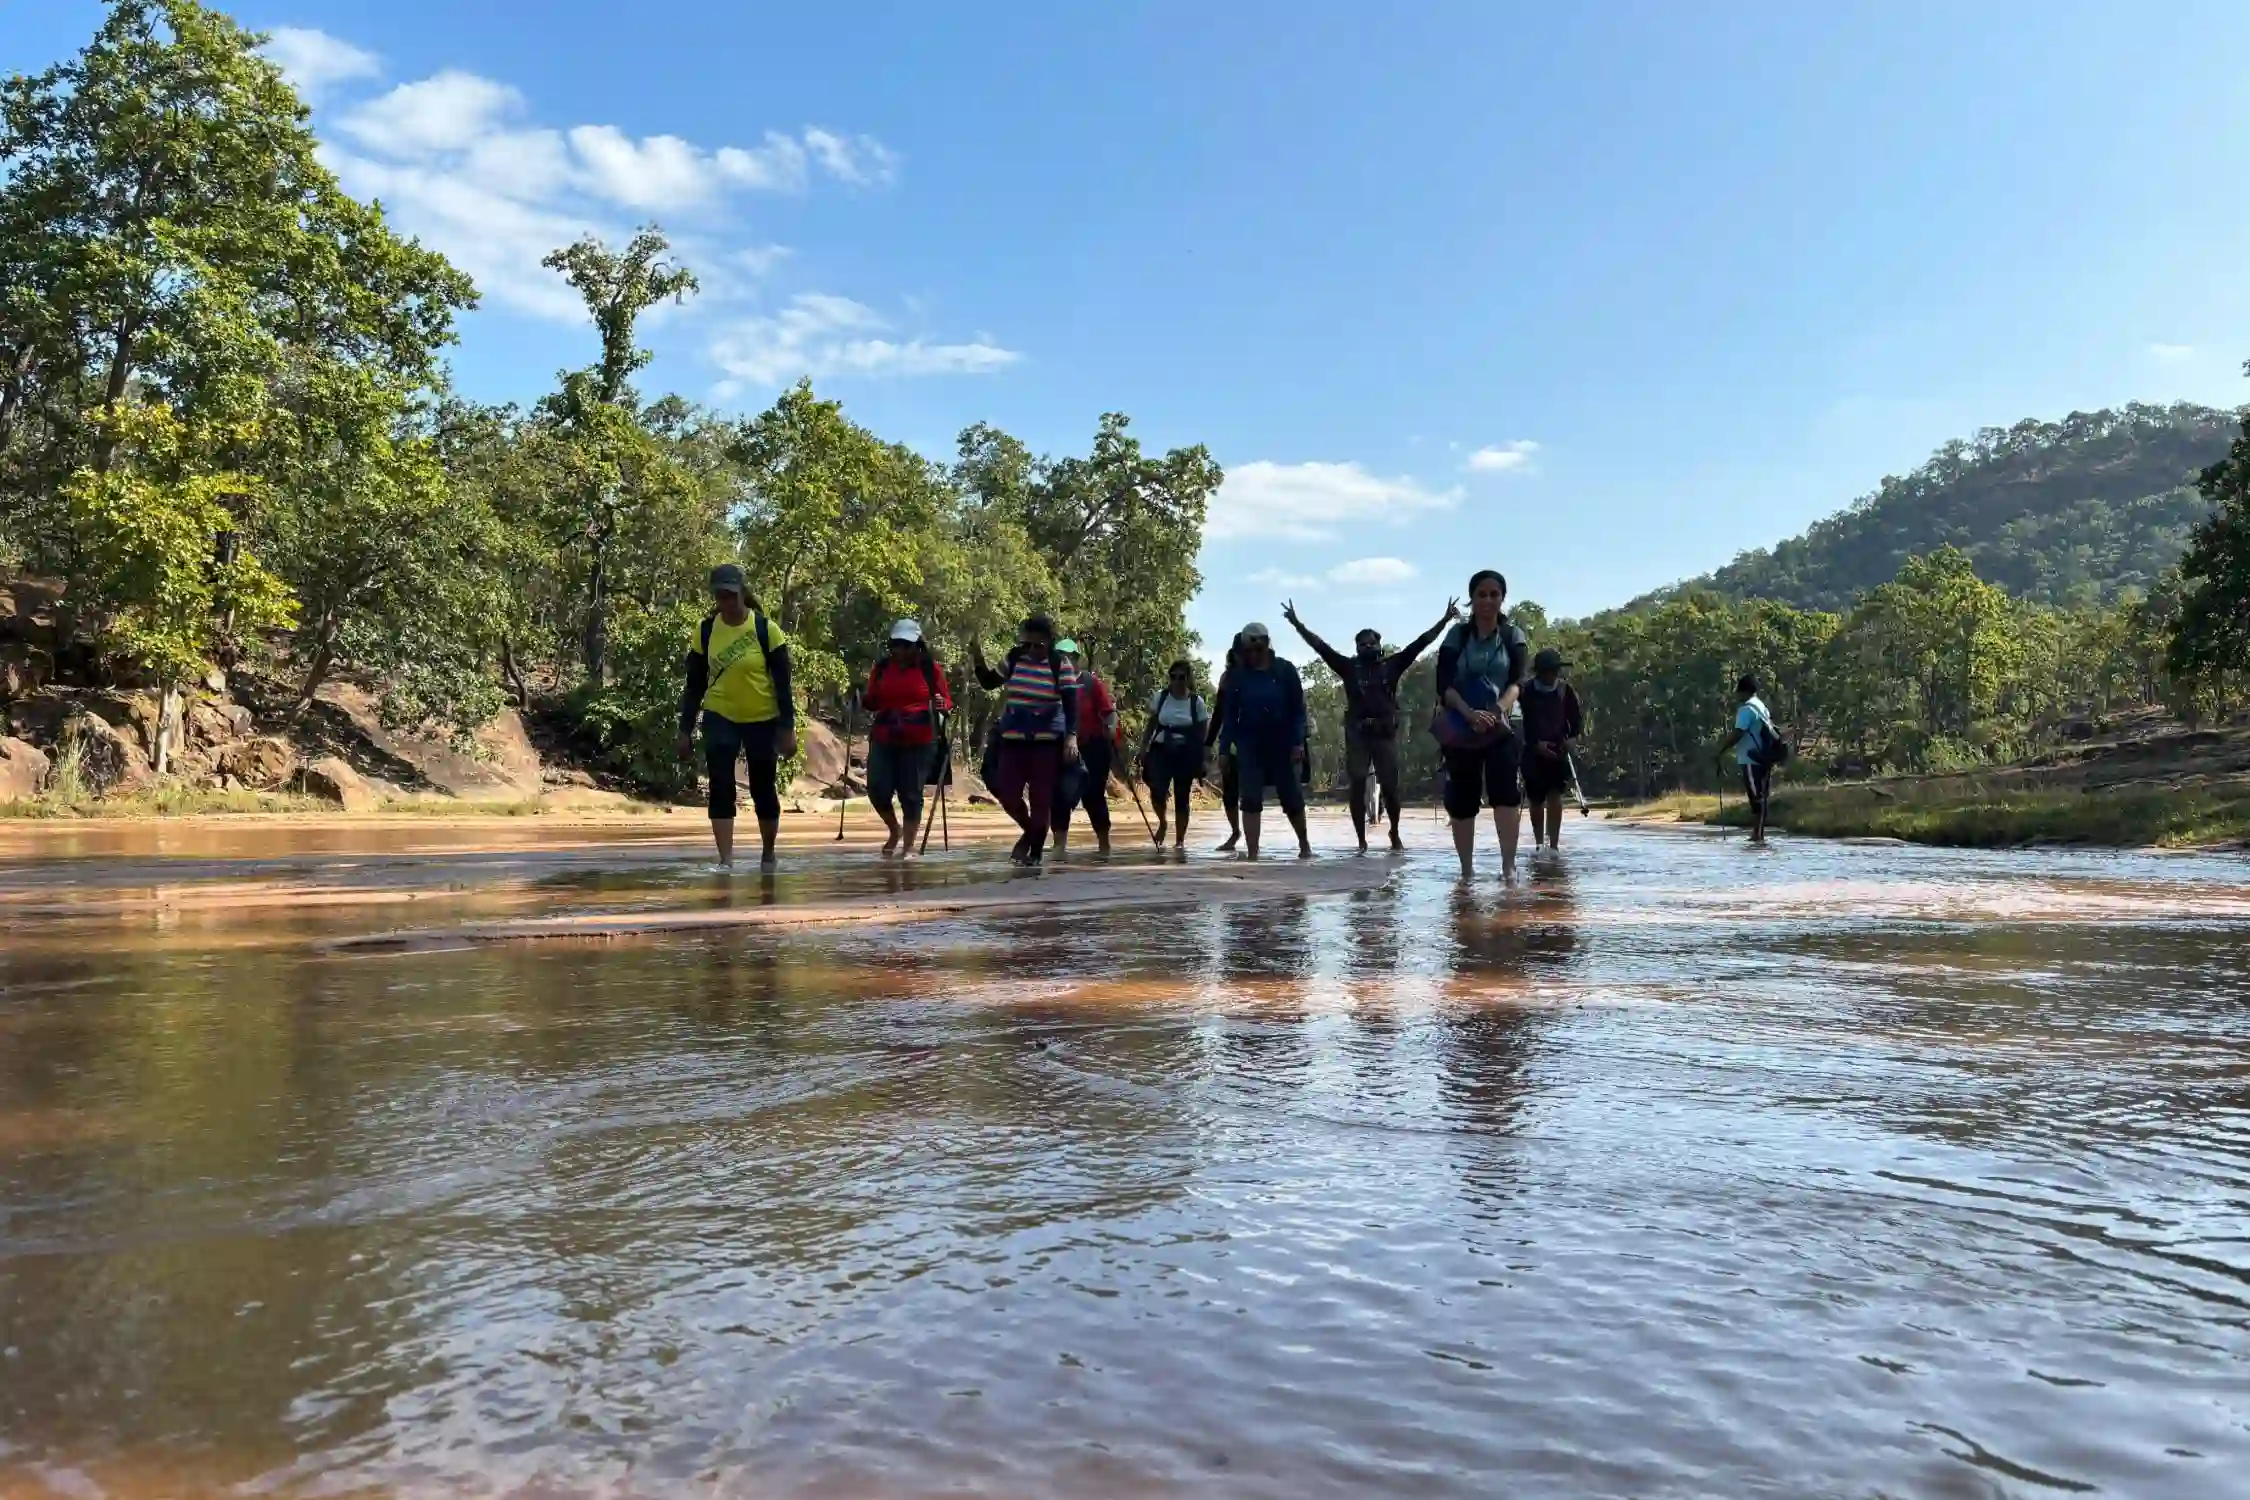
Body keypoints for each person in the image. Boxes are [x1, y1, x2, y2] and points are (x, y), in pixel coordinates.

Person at [1281, 596, 1457, 853]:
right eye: (1361, 644)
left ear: (1379, 644)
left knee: (1390, 787)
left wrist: (1444, 620)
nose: (1366, 647)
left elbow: (1421, 643)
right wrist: (1297, 624)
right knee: (1358, 785)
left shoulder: (1392, 665)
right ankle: (1361, 840)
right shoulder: (1349, 668)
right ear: (1356, 648)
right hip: (1358, 734)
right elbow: (1320, 647)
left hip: (1385, 733)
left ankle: (1394, 832)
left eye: (1370, 643)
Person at [677, 563, 797, 869]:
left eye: (731, 595)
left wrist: (787, 728)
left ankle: (768, 852)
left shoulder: (766, 630)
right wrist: (685, 729)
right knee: (720, 784)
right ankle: (726, 860)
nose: (727, 602)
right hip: (720, 714)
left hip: (762, 717)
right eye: (721, 596)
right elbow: (694, 686)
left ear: (742, 592)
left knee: (762, 786)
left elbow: (783, 685)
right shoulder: (705, 632)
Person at [1433, 569, 1529, 880]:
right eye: (1481, 594)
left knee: (1505, 794)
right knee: (1462, 799)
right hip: (1462, 725)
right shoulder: (1456, 636)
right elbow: (1443, 685)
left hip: (1503, 726)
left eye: (1494, 594)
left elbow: (1518, 682)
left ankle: (1508, 867)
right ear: (1472, 598)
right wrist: (1470, 713)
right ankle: (1466, 871)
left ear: (1502, 598)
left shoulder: (1513, 636)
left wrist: (1497, 710)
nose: (1487, 600)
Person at [971, 614, 1080, 866]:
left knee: (1041, 798)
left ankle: (1035, 853)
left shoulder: (1060, 664)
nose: (1031, 650)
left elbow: (1071, 706)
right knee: (1007, 792)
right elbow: (989, 683)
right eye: (1027, 644)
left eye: (1038, 645)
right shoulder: (1014, 657)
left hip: (1046, 741)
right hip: (1013, 738)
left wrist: (1071, 737)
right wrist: (977, 657)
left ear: (1049, 642)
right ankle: (1032, 832)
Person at [1218, 622, 1313, 860]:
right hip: (1249, 743)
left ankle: (1304, 845)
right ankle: (1252, 853)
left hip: (1283, 742)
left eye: (1259, 646)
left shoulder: (1285, 671)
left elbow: (1298, 711)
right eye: (1249, 648)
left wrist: (1298, 743)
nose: (1254, 652)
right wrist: (1222, 750)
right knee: (1249, 798)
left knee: (1291, 796)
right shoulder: (1237, 678)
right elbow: (1229, 716)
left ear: (1267, 644)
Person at [861, 619, 952, 859]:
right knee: (877, 789)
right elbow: (873, 700)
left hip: (919, 739)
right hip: (885, 736)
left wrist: (943, 705)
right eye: (896, 644)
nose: (900, 650)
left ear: (917, 646)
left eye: (906, 645)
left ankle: (908, 846)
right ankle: (895, 830)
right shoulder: (881, 668)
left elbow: (945, 701)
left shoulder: (930, 670)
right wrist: (862, 699)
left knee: (911, 792)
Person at [1049, 638, 1120, 855]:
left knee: (1093, 795)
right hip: (1061, 748)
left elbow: (1109, 712)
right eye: (1060, 656)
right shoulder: (1050, 684)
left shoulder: (1090, 683)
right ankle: (1059, 846)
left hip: (1093, 747)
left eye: (1069, 656)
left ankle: (1104, 845)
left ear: (1077, 659)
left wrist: (1111, 729)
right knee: (1059, 797)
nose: (1065, 660)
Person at [1518, 647, 1584, 852]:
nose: (1551, 675)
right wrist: (1534, 744)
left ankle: (1553, 845)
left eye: (1554, 671)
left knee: (1555, 796)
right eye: (1547, 671)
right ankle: (1539, 844)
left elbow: (1576, 720)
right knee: (1536, 800)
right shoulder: (1525, 691)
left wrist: (1572, 739)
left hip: (1558, 751)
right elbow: (1517, 723)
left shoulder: (1566, 690)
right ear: (1539, 671)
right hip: (1532, 752)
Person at [1141, 659, 1208, 850]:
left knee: (1182, 796)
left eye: (1181, 677)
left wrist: (1202, 759)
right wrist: (1143, 747)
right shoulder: (1161, 698)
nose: (1177, 681)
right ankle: (1162, 822)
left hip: (1186, 752)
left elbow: (1203, 733)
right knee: (1157, 790)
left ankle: (1180, 841)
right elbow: (1151, 725)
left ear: (1188, 679)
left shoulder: (1196, 703)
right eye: (1173, 677)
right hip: (1161, 749)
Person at [1717, 673, 1778, 846]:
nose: (1737, 696)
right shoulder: (1761, 706)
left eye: (1739, 692)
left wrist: (1720, 750)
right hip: (1765, 757)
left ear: (1744, 692)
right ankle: (1758, 834)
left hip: (1751, 758)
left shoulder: (1746, 709)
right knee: (1761, 795)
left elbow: (1738, 732)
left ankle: (1757, 835)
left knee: (1755, 797)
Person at [1207, 640, 1242, 852]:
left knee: (1253, 791)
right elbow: (1219, 712)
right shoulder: (1227, 678)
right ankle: (1236, 831)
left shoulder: (1265, 673)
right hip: (1230, 741)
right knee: (1230, 791)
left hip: (1258, 741)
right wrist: (1208, 743)